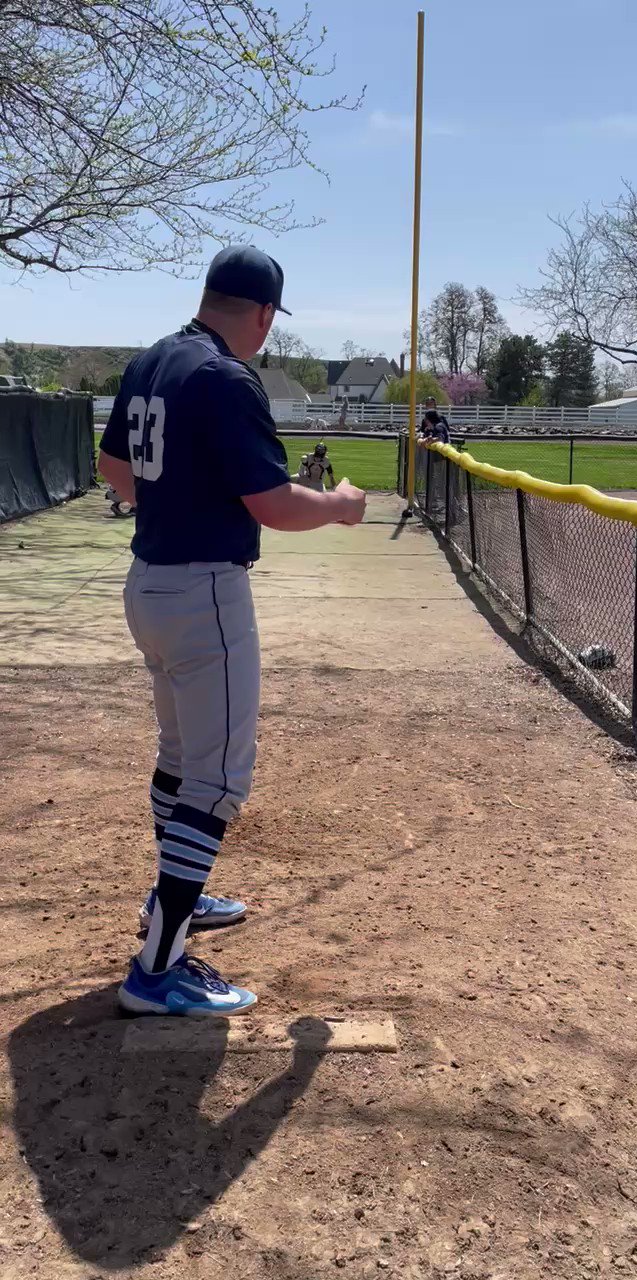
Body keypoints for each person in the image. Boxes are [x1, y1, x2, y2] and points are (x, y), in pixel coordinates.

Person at [98, 245, 366, 1018]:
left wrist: (180, 498)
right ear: (261, 313)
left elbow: (116, 471)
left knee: (182, 760)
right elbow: (276, 506)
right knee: (217, 781)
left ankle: (178, 898)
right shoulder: (224, 376)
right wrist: (342, 505)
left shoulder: (155, 358)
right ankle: (158, 967)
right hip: (204, 590)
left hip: (147, 583)